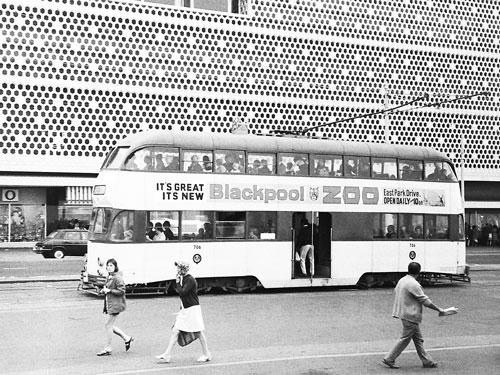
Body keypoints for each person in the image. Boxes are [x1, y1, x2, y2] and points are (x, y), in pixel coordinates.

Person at [382, 262, 451, 369]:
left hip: (404, 313)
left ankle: (427, 361)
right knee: (405, 339)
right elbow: (425, 301)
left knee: (418, 340)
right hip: (411, 315)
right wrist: (439, 309)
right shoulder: (413, 284)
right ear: (419, 271)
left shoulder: (402, 280)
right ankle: (390, 358)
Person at [156, 261, 211, 363]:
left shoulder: (190, 279)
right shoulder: (184, 279)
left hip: (192, 309)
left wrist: (177, 282)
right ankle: (167, 354)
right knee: (175, 331)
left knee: (199, 332)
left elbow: (182, 293)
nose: (177, 270)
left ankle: (206, 354)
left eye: (178, 268)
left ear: (183, 270)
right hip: (185, 309)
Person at [96, 259, 133, 356]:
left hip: (116, 304)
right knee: (109, 325)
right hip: (110, 303)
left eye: (111, 265)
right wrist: (104, 291)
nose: (109, 267)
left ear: (115, 267)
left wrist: (109, 291)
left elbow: (122, 291)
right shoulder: (110, 276)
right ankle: (126, 338)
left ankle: (108, 348)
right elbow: (108, 288)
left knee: (108, 325)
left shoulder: (117, 278)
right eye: (108, 265)